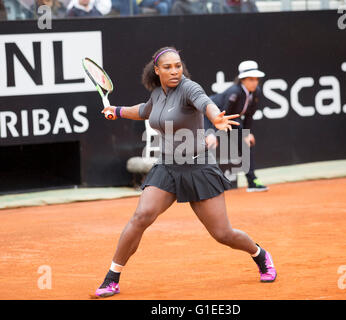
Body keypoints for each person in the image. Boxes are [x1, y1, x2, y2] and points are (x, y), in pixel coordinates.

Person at [93, 47, 277, 298]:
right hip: (167, 167)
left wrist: (217, 118)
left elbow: (206, 103)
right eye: (168, 67)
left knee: (223, 234)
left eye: (178, 66)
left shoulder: (190, 88)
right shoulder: (157, 93)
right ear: (156, 71)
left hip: (199, 167)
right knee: (141, 216)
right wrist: (117, 110)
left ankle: (260, 255)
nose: (174, 71)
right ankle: (112, 278)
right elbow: (145, 110)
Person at [205, 60, 268, 192]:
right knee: (208, 143)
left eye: (256, 79)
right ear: (243, 80)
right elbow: (221, 114)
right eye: (251, 79)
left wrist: (247, 133)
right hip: (208, 116)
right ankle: (205, 184)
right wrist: (211, 133)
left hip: (229, 119)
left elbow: (249, 115)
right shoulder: (234, 92)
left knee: (246, 144)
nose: (255, 82)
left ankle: (252, 182)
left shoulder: (256, 92)